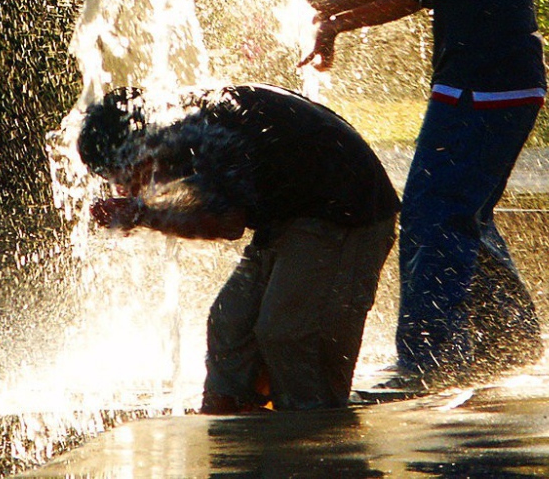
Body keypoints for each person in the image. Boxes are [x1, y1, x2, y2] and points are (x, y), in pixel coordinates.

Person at [290, 0, 544, 391]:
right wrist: (332, 14)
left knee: (435, 216)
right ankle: (512, 338)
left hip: (481, 91)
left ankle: (427, 361)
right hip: (499, 87)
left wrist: (328, 11)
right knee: (463, 213)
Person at [78, 83, 399, 413]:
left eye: (120, 171)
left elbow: (225, 223)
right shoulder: (181, 124)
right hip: (294, 214)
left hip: (348, 214)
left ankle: (313, 438)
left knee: (287, 332)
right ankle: (232, 415)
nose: (121, 185)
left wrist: (142, 214)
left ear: (139, 146)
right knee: (228, 324)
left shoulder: (202, 136)